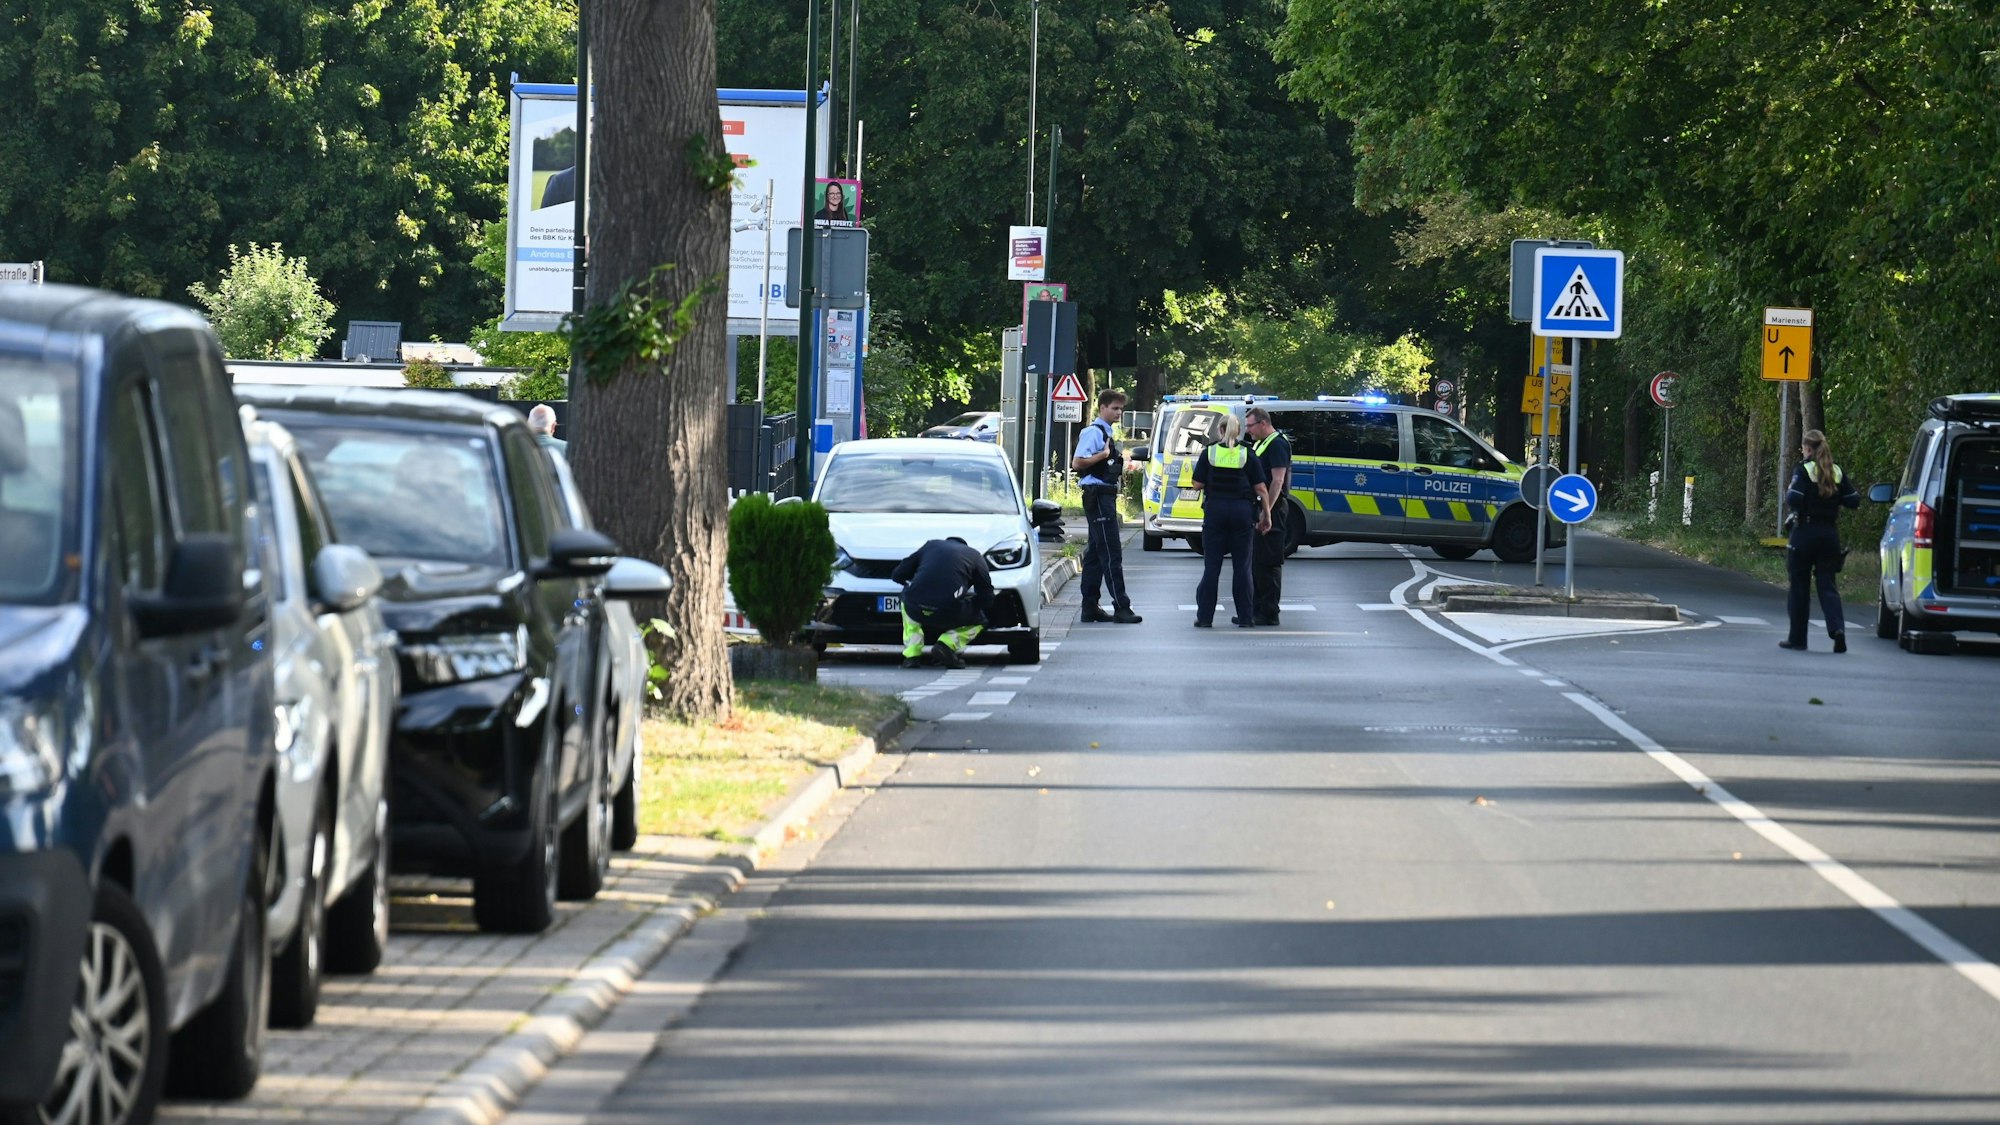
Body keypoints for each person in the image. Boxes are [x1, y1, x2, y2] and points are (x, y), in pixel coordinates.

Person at [1184, 412, 1270, 628]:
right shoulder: (1247, 454)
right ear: (1238, 431)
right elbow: (1260, 488)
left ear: (1220, 431)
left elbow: (1196, 484)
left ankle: (1205, 618)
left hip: (1215, 512)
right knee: (1242, 568)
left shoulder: (1210, 452)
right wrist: (1266, 515)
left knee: (1212, 567)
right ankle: (1245, 618)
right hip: (1241, 512)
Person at [1781, 428, 1859, 652]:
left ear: (1807, 448)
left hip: (1805, 531)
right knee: (1827, 585)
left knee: (1799, 586)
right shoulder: (1836, 471)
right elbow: (1853, 500)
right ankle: (1837, 630)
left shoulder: (1804, 469)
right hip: (1829, 535)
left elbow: (1794, 497)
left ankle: (1797, 639)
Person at [1071, 389, 1142, 624]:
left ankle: (1089, 606)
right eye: (1114, 408)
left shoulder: (1107, 432)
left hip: (1104, 496)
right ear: (1102, 408)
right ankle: (1122, 606)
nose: (1118, 412)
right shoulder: (1094, 432)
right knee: (1111, 553)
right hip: (1098, 496)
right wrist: (1102, 456)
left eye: (1120, 409)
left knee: (1094, 555)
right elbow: (1077, 462)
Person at [891, 537, 994, 669]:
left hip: (916, 607)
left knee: (907, 597)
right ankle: (946, 644)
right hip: (948, 610)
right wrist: (973, 603)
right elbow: (987, 596)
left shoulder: (930, 546)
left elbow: (897, 574)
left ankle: (912, 655)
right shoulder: (975, 556)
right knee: (981, 621)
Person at [1244, 406, 1292, 626]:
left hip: (1273, 509)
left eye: (1250, 426)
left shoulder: (1278, 444)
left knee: (1268, 562)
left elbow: (1278, 481)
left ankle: (1269, 612)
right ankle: (1256, 609)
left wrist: (1267, 511)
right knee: (1257, 562)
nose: (1248, 431)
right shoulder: (1262, 443)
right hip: (1261, 507)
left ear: (1262, 423)